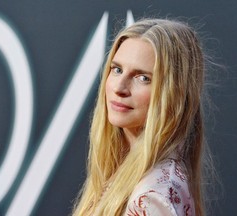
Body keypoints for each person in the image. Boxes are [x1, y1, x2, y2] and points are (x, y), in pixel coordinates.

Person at [73, 18, 210, 216]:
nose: (119, 88)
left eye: (143, 78)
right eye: (117, 69)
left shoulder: (151, 197)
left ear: (175, 93)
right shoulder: (127, 175)